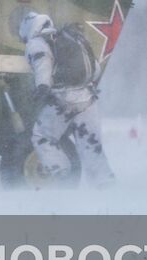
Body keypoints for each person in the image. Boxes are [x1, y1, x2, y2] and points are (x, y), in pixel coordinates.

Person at [15, 10, 115, 187]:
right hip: (87, 98)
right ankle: (105, 183)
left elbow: (42, 63)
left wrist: (42, 87)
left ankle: (62, 177)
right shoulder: (72, 37)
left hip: (63, 99)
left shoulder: (37, 43)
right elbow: (95, 70)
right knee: (90, 144)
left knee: (42, 137)